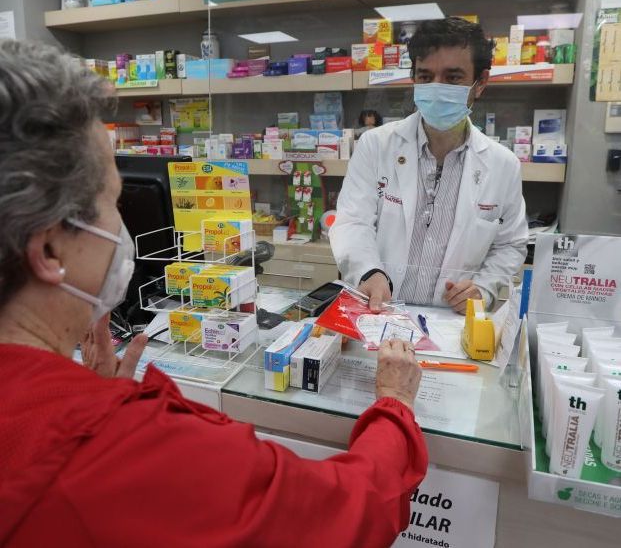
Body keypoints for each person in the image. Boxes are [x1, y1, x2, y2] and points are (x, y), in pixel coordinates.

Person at [0, 41, 428, 548]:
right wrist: (396, 406)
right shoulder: (123, 449)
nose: (121, 228)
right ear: (49, 248)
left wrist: (90, 394)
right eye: (113, 202)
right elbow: (345, 511)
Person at [331, 17, 529, 314]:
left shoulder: (503, 166)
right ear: (414, 78)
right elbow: (352, 222)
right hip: (380, 312)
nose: (436, 88)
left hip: (452, 323)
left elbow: (511, 245)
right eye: (425, 77)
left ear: (481, 83)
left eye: (452, 78)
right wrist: (368, 271)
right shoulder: (376, 145)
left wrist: (485, 287)